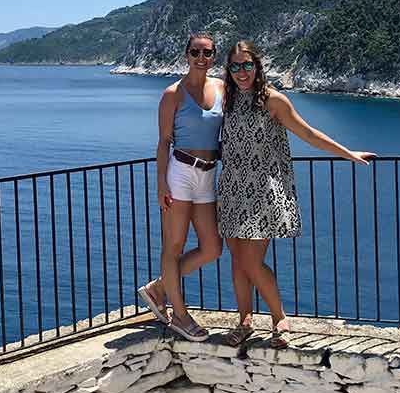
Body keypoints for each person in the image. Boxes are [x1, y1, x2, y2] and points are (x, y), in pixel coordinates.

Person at [218, 41, 375, 348]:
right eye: (235, 66)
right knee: (237, 261)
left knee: (251, 262)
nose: (241, 72)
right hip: (232, 188)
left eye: (247, 65)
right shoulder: (228, 99)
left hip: (262, 191)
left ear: (257, 66)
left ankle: (279, 318)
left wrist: (347, 153)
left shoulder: (274, 101)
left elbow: (308, 133)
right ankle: (245, 321)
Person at [137, 32, 224, 341]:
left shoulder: (222, 89)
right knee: (174, 246)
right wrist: (161, 181)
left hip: (208, 175)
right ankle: (180, 315)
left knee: (213, 248)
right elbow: (163, 141)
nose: (202, 58)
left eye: (208, 53)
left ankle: (159, 287)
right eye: (196, 52)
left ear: (214, 56)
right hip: (181, 173)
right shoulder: (173, 93)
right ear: (186, 55)